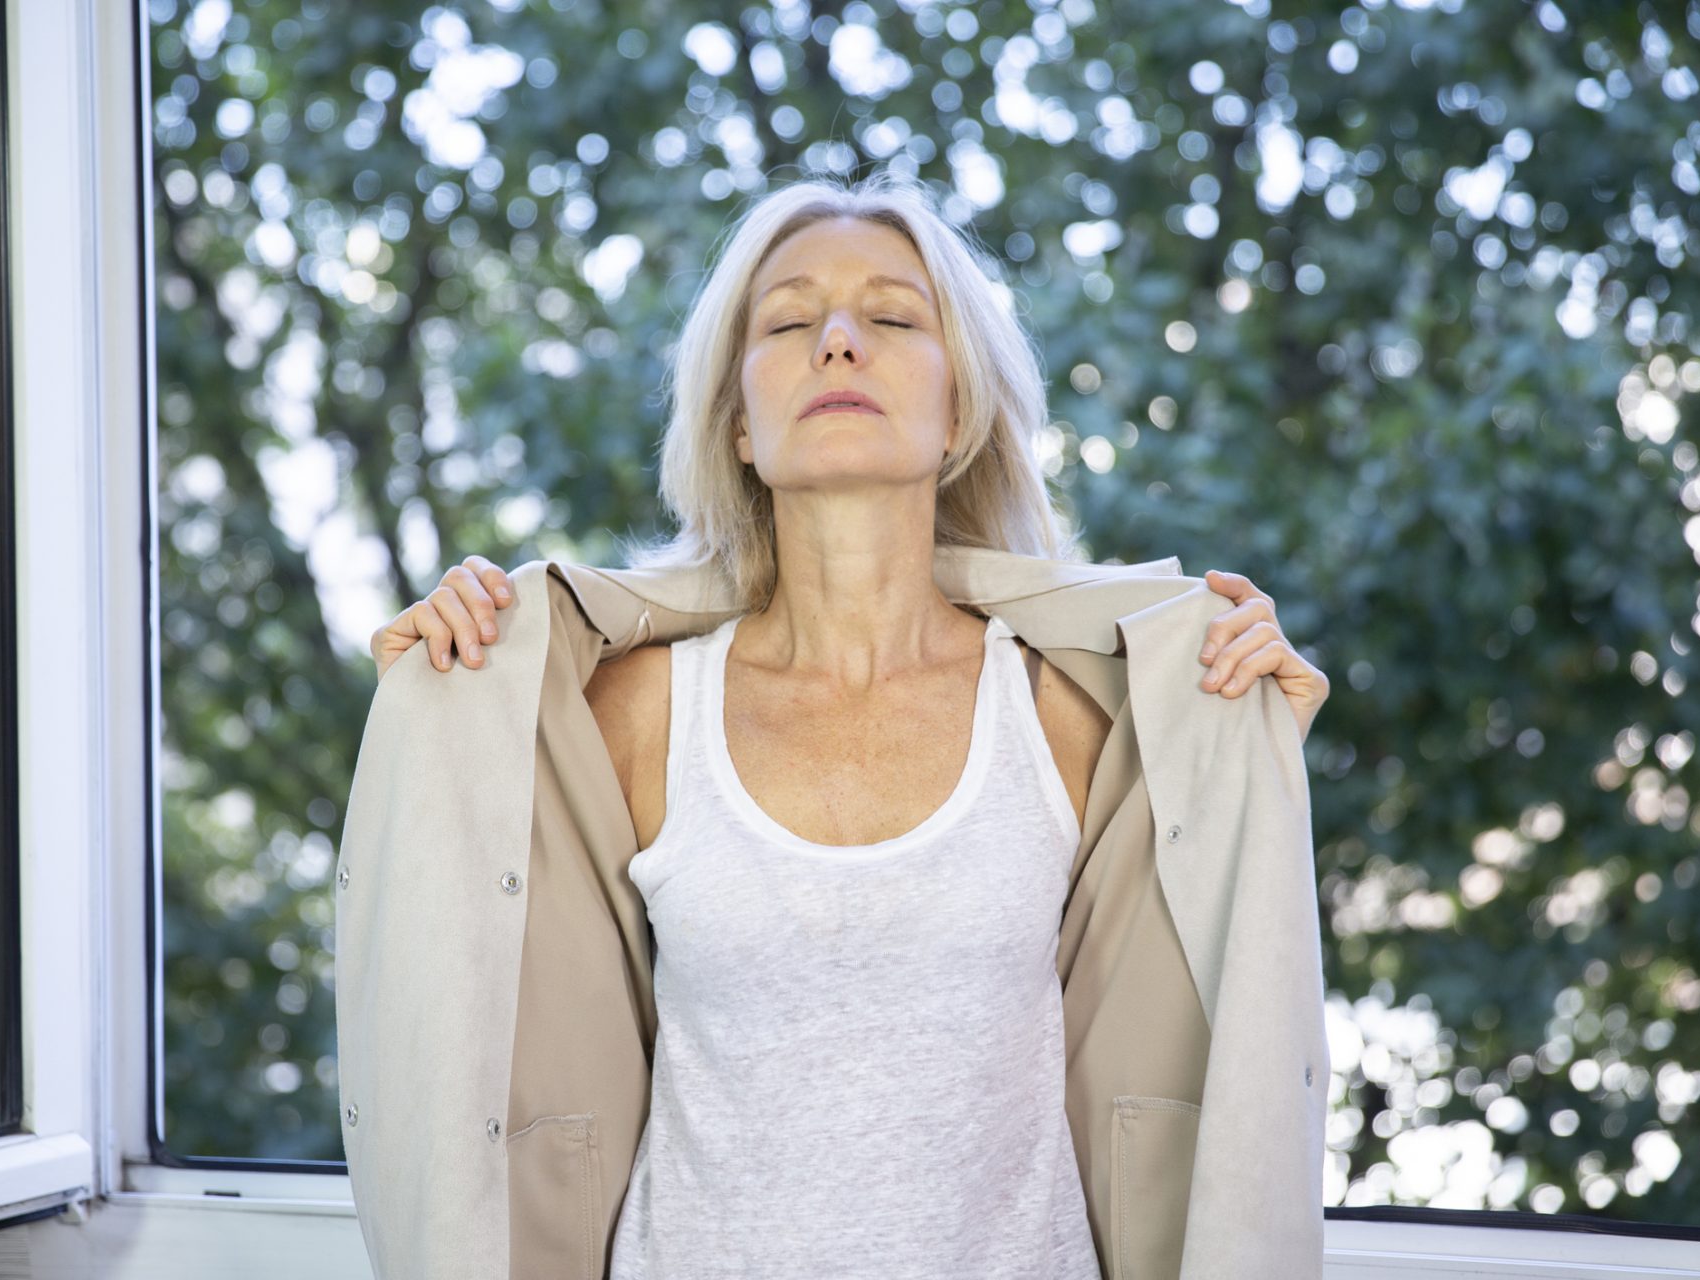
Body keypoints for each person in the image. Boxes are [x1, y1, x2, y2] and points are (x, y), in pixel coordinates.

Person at [364, 172, 1329, 1278]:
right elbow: (466, 1005)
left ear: (959, 407)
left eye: (891, 315)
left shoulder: (1075, 716)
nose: (836, 341)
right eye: (787, 319)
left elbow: (1231, 1019)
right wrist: (444, 689)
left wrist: (1251, 742)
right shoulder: (629, 711)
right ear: (735, 418)